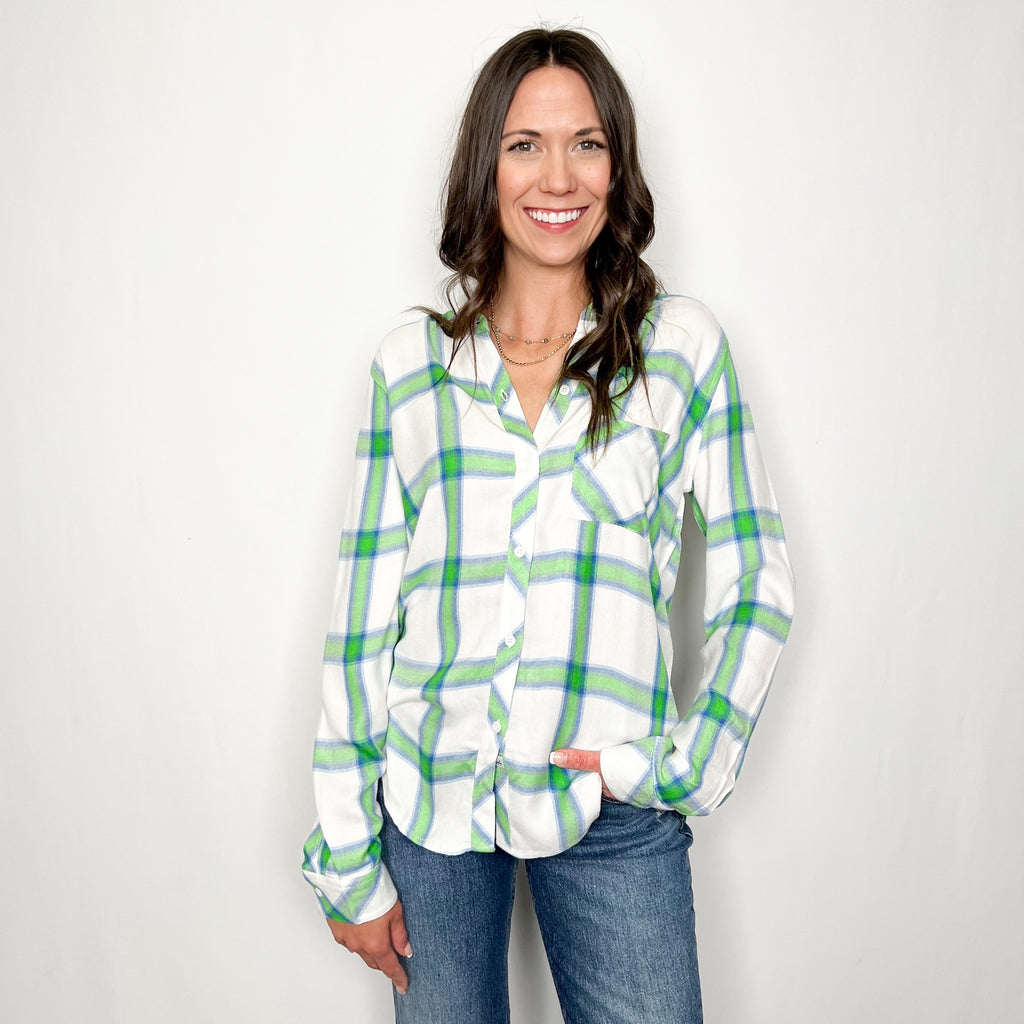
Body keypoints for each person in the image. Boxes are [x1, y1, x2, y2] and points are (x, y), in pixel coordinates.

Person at [302, 27, 794, 1024]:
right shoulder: (412, 370)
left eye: (587, 144)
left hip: (611, 805)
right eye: (524, 144)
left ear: (618, 167)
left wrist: (683, 764)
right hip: (432, 805)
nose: (557, 176)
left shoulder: (679, 350)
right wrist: (346, 855)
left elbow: (760, 584)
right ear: (484, 166)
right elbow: (363, 627)